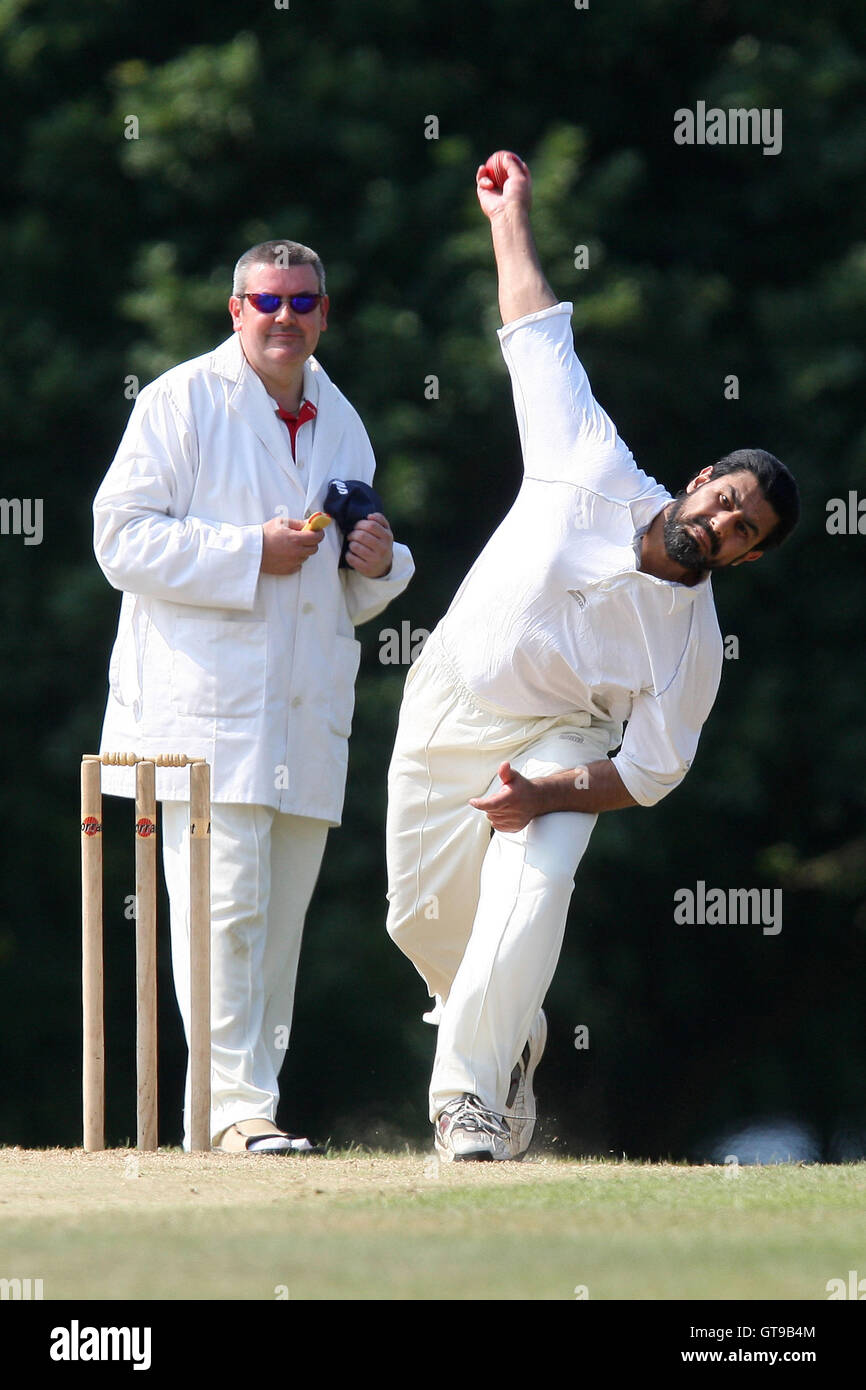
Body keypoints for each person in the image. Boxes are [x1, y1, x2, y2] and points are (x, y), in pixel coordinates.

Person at [385, 152, 799, 1162]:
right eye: (725, 500)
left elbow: (650, 771)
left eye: (741, 531)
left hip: (559, 745)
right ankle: (508, 1037)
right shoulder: (589, 460)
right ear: (699, 480)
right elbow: (532, 329)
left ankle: (465, 1102)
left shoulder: (690, 649)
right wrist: (508, 213)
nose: (721, 523)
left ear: (742, 556)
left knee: (535, 884)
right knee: (421, 925)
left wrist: (552, 790)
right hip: (449, 702)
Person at [93, 239, 414, 1153]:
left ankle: (235, 1116)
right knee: (223, 910)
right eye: (266, 301)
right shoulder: (180, 400)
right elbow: (119, 542)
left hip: (306, 710)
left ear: (324, 313)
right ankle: (239, 1112)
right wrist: (247, 552)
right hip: (203, 707)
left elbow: (352, 574)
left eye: (303, 301)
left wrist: (383, 564)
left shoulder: (342, 419)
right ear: (236, 310)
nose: (285, 317)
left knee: (277, 927)